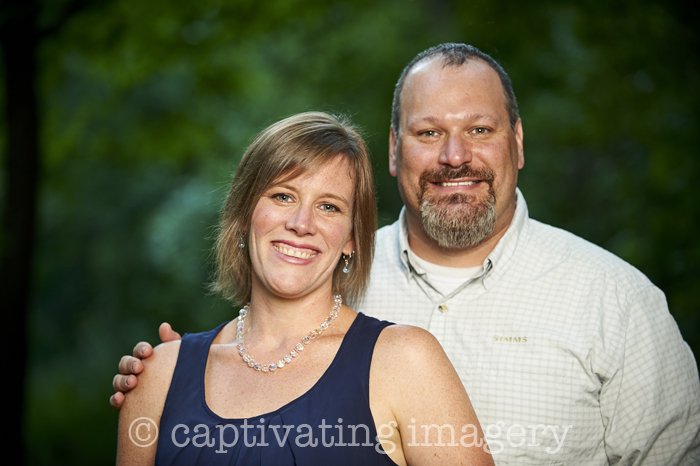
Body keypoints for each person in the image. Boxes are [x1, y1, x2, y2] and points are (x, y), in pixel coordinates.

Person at [112, 44, 700, 465]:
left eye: (479, 130)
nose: (453, 156)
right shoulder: (324, 276)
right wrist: (169, 378)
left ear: (517, 143)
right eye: (426, 133)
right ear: (394, 150)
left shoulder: (616, 299)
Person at [115, 111, 493, 466]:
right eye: (283, 196)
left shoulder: (405, 361)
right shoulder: (159, 374)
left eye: (329, 207)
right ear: (245, 215)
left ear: (351, 239)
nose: (301, 223)